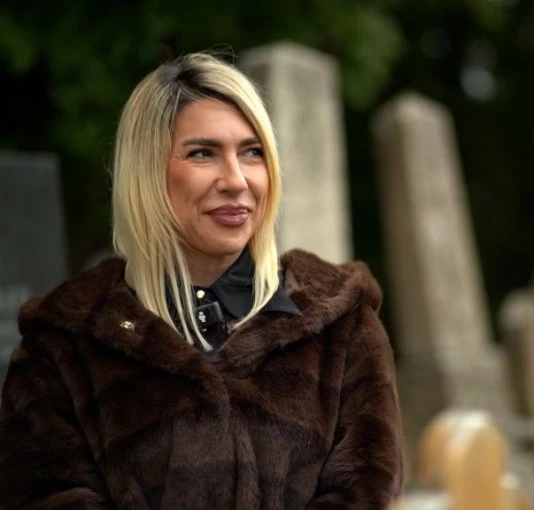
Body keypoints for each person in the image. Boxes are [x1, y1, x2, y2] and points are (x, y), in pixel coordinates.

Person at [0, 53, 403, 509]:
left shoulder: (341, 323)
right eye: (202, 153)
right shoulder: (64, 343)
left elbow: (364, 492)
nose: (236, 180)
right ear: (147, 172)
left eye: (252, 152)